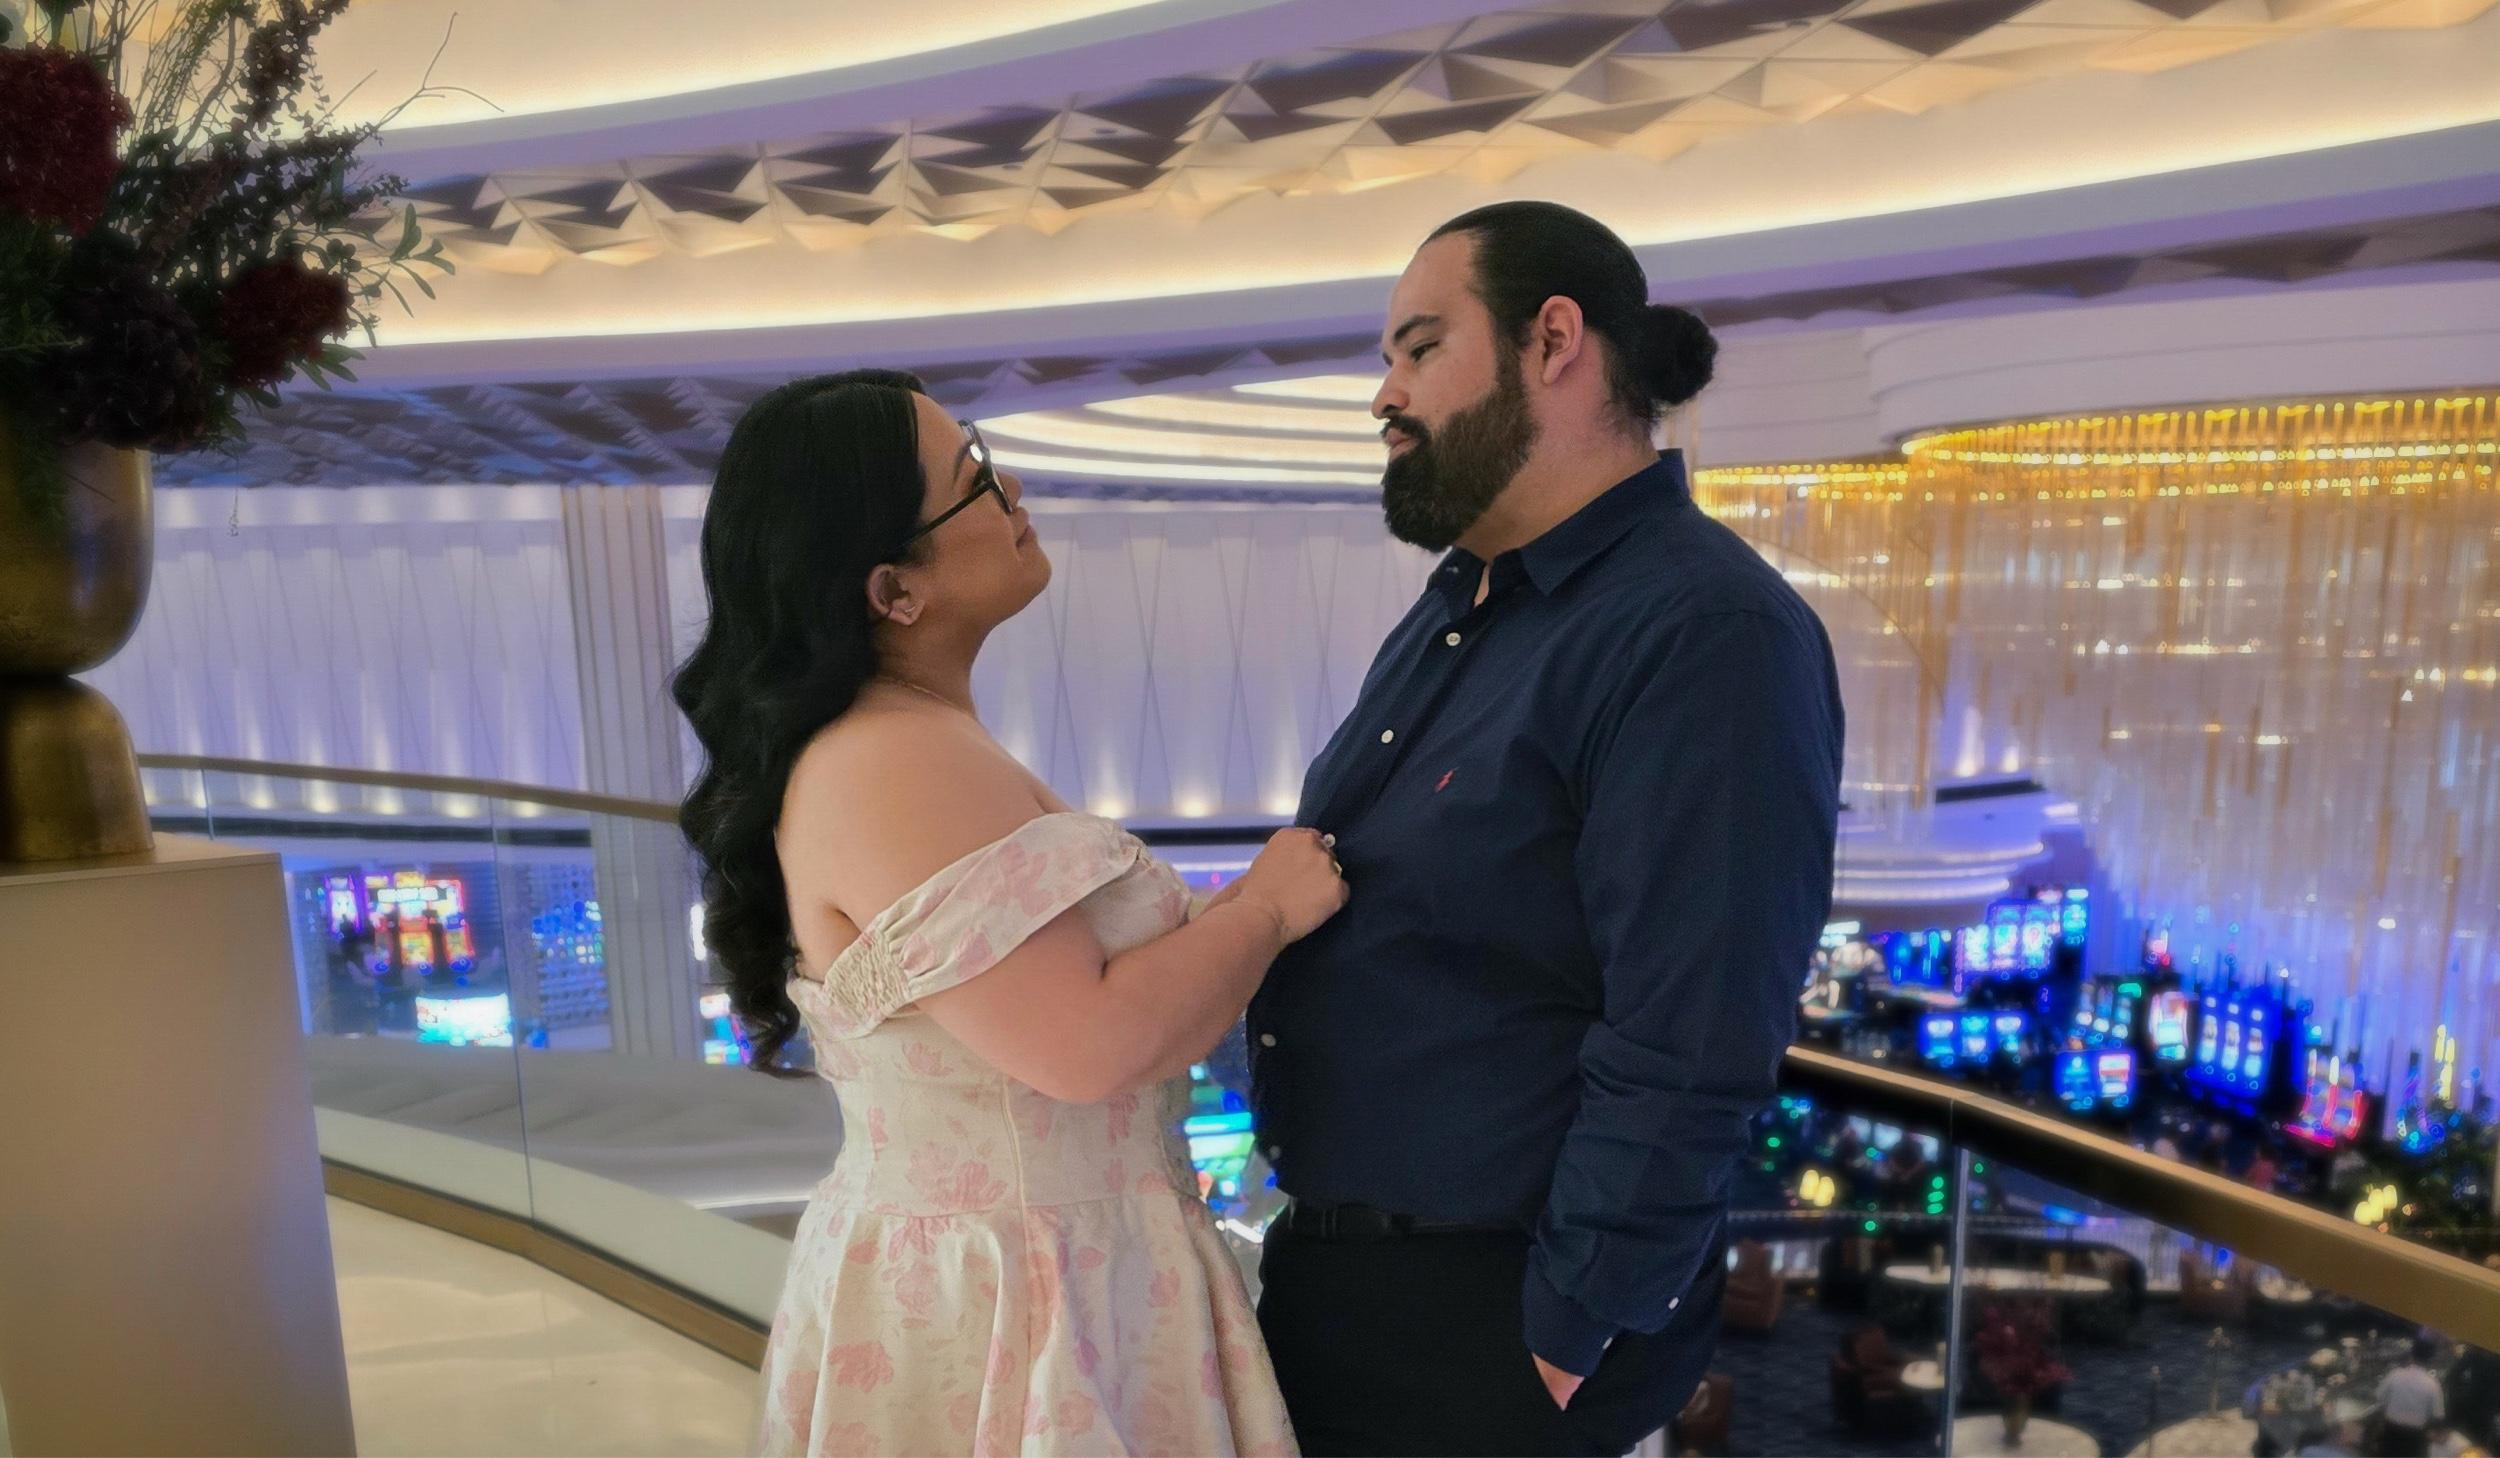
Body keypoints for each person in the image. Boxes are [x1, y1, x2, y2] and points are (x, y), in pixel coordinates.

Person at [1246, 201, 1845, 1456]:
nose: (1384, 396)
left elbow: (1694, 1029)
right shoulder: (1462, 606)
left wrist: (1567, 1336)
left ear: (1552, 340)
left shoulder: (1703, 629)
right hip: (1353, 1291)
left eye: (1420, 348)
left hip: (1491, 1326)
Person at [672, 370, 1348, 1455]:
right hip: (1024, 1290)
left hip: (1035, 1267)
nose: (1012, 487)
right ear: (894, 589)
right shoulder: (893, 758)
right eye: (975, 477)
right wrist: (1264, 909)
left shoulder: (908, 742)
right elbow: (1087, 1043)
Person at [2380, 1338, 2449, 1457]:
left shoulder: (2395, 1375)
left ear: (2411, 1355)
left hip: (2390, 1435)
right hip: (2415, 1440)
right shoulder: (2433, 1385)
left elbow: (2380, 1398)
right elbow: (2438, 1416)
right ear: (2430, 1360)